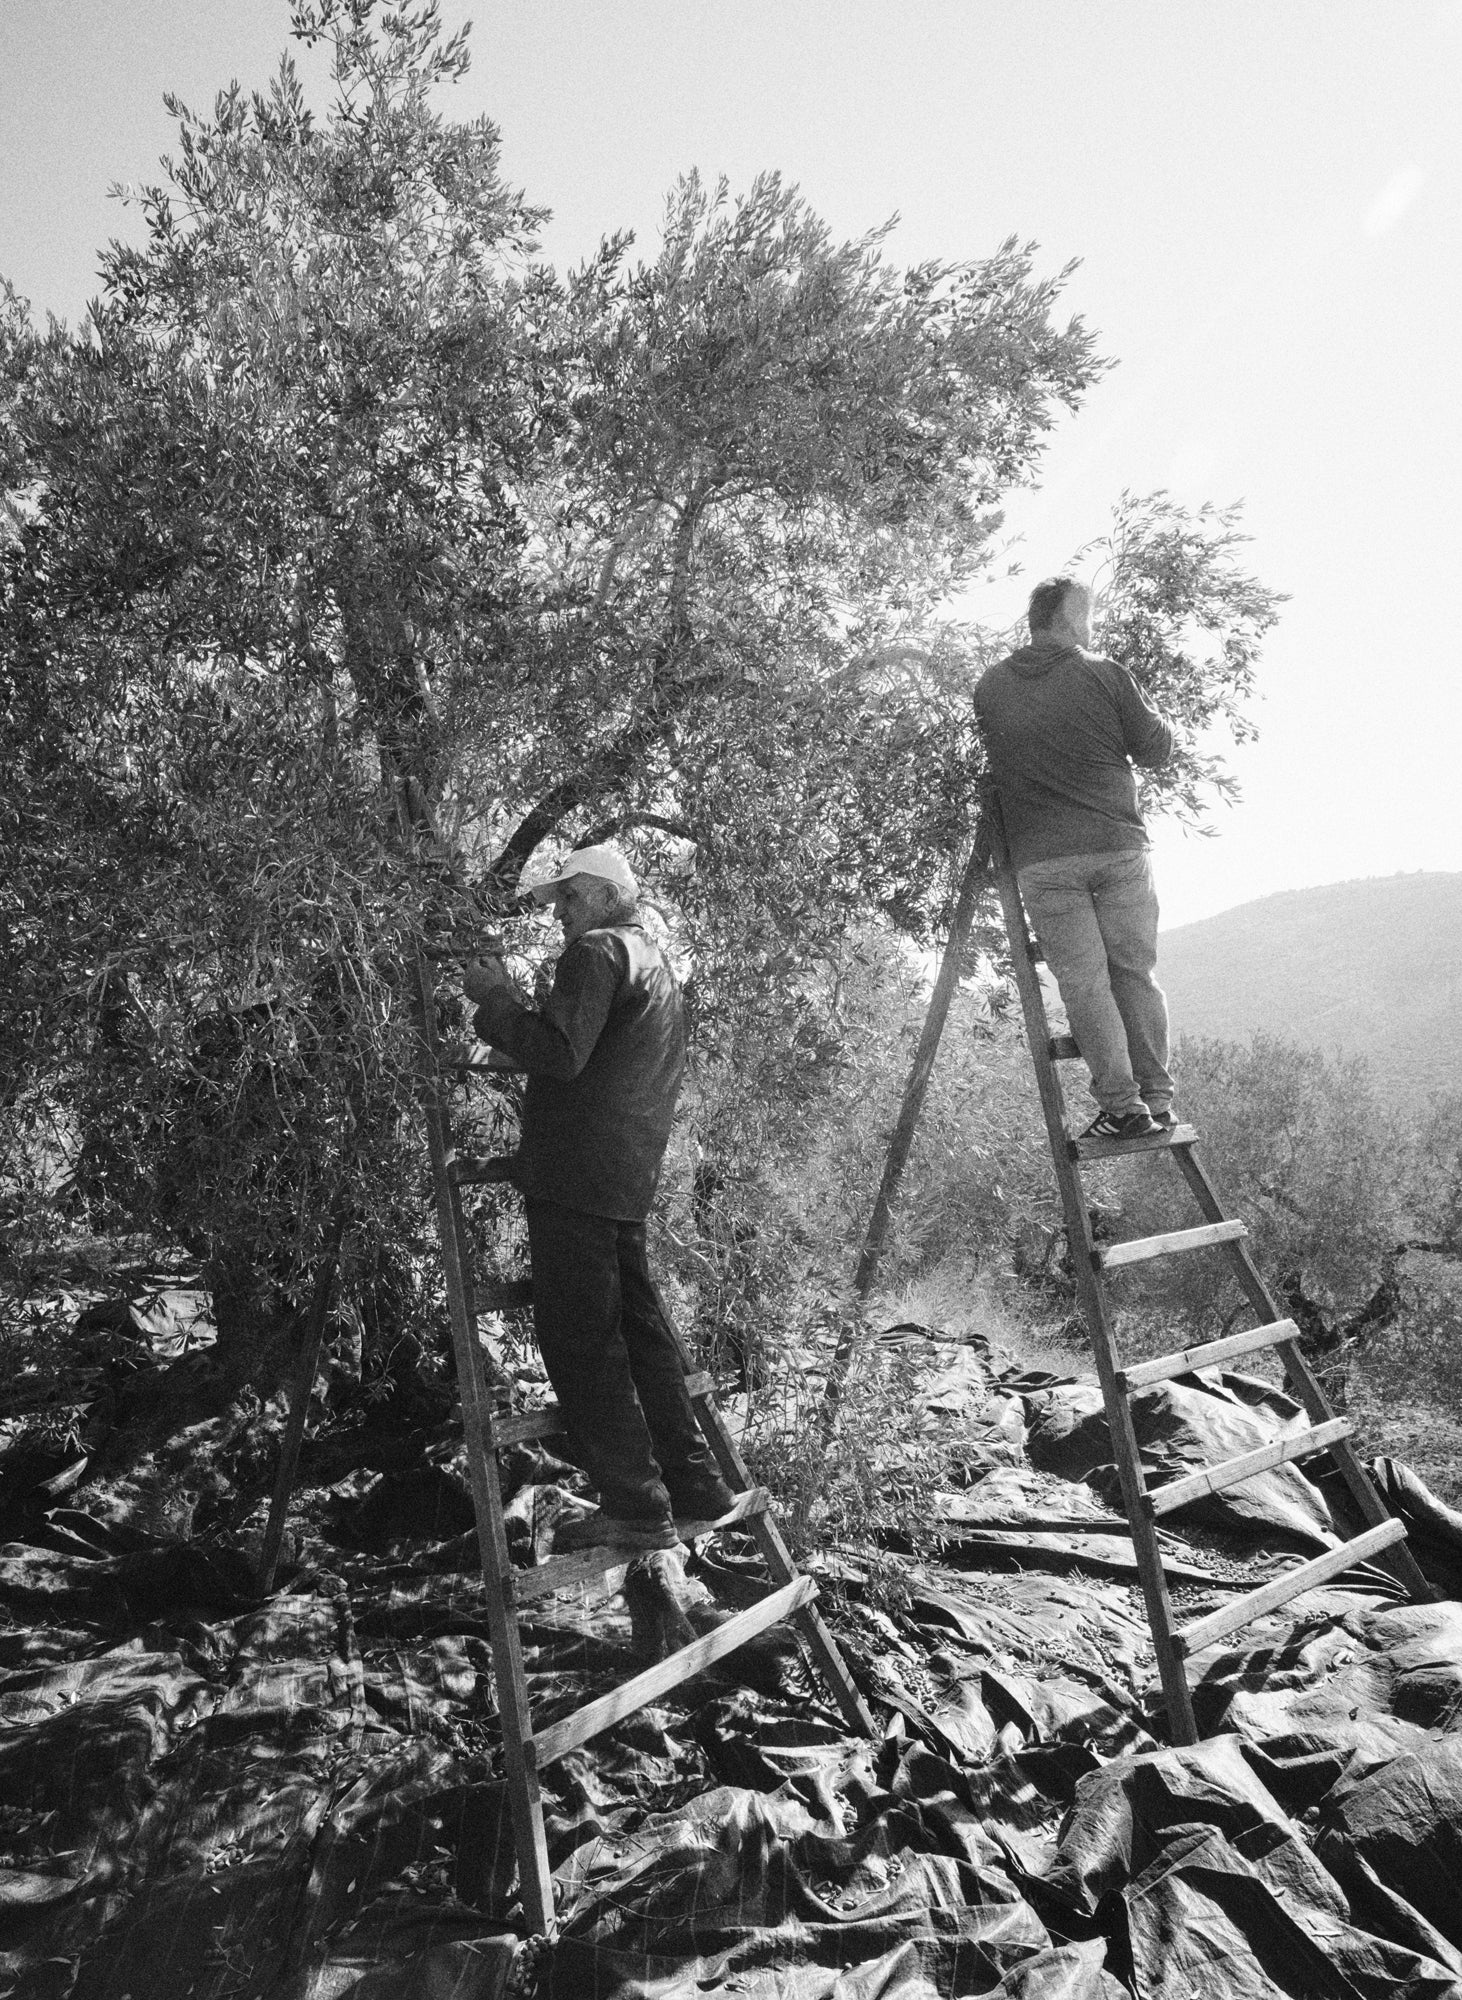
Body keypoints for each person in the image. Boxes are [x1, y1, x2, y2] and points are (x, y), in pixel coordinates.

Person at [462, 843, 734, 1551]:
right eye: (559, 901)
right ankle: (697, 1481)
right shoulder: (654, 961)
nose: (561, 913)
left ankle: (637, 1506)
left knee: (583, 1341)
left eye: (571, 897)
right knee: (642, 1336)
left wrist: (495, 1001)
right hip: (623, 1178)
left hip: (577, 1180)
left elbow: (560, 1053)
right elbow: (590, 1056)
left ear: (610, 896)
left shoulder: (596, 952)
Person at [973, 577, 1177, 1142]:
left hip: (1043, 860)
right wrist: (1150, 711)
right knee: (1134, 972)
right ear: (1066, 619)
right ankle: (1156, 1101)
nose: (1092, 626)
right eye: (1088, 615)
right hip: (1117, 847)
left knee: (1085, 984)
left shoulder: (990, 686)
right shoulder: (1105, 673)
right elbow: (1157, 749)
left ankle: (1124, 1107)